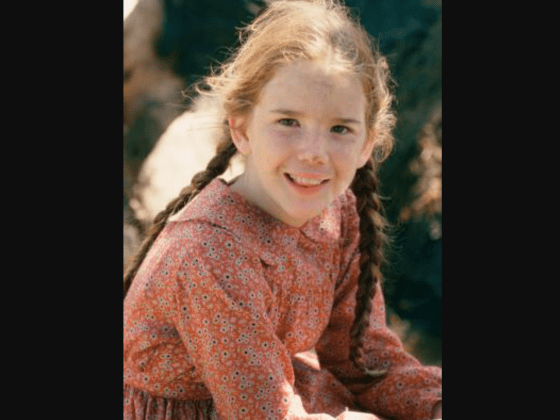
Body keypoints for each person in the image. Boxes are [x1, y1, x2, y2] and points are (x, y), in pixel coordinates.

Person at [123, 1, 442, 419]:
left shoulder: (338, 213)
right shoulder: (211, 254)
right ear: (241, 128)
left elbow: (363, 361)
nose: (313, 153)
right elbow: (263, 413)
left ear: (367, 144)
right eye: (288, 122)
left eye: (340, 128)